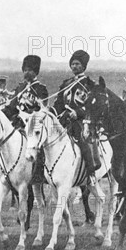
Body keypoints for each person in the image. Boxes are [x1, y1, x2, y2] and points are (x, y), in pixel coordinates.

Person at [51, 50, 100, 183]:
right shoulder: (66, 83)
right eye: (72, 64)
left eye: (77, 64)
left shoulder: (90, 84)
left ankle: (90, 173)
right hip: (64, 119)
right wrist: (51, 112)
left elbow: (92, 106)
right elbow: (59, 103)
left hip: (80, 121)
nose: (74, 67)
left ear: (84, 66)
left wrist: (77, 113)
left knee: (83, 141)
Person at [3, 55, 48, 127]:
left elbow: (42, 109)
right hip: (18, 123)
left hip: (33, 125)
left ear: (35, 72)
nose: (26, 73)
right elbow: (12, 106)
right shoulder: (20, 88)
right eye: (25, 70)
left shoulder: (41, 89)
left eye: (29, 70)